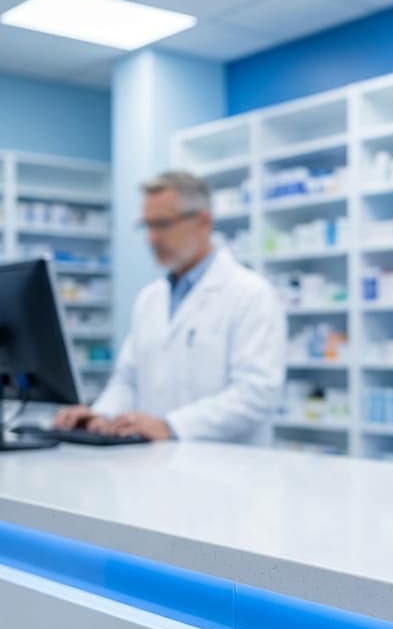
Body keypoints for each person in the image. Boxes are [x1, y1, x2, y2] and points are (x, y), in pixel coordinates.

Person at [54, 171, 285, 444]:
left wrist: (171, 426)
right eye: (147, 226)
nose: (151, 238)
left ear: (203, 221)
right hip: (157, 463)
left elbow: (257, 392)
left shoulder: (251, 293)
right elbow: (127, 380)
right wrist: (100, 416)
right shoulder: (150, 299)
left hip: (227, 471)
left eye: (162, 225)